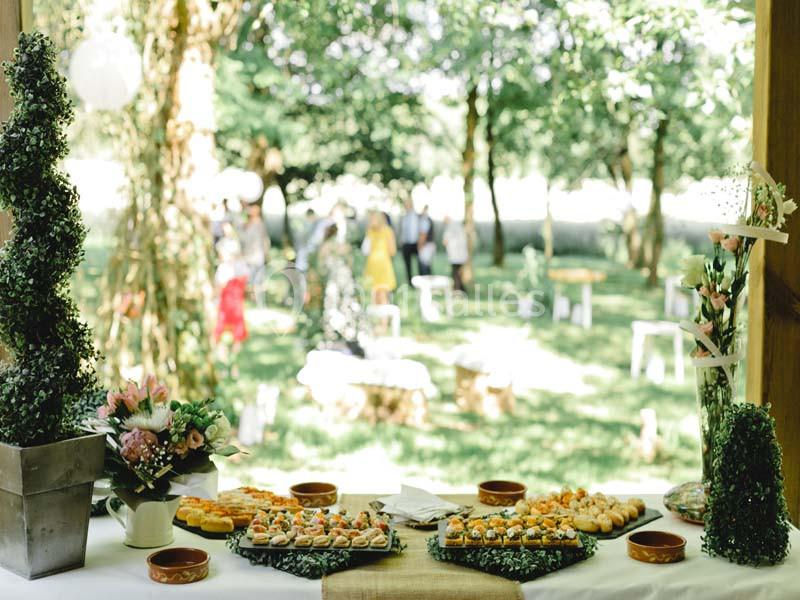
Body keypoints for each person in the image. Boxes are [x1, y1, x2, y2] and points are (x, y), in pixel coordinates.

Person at [213, 237, 249, 376]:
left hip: (225, 305)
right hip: (237, 304)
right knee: (237, 335)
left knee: (219, 334)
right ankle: (234, 366)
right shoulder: (242, 266)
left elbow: (219, 287)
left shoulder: (224, 268)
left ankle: (224, 364)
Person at [363, 210, 397, 305]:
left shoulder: (370, 231)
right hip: (383, 264)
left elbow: (365, 250)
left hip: (371, 264)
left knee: (374, 295)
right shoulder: (388, 231)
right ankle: (383, 319)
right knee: (383, 295)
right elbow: (392, 251)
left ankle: (376, 318)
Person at [241, 202, 271, 306]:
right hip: (248, 255)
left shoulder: (260, 224)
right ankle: (251, 296)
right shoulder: (246, 223)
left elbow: (264, 240)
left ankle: (257, 298)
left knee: (258, 277)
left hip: (257, 254)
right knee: (249, 276)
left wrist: (266, 253)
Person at [442, 215, 468, 293]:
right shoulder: (459, 226)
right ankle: (461, 289)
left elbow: (445, 241)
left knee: (455, 273)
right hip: (461, 255)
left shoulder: (449, 228)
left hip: (455, 255)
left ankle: (457, 289)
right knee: (459, 273)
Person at [399, 198, 420, 285]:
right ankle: (410, 282)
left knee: (420, 263)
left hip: (416, 243)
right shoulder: (404, 217)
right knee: (407, 264)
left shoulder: (416, 216)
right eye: (405, 204)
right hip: (406, 243)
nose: (406, 206)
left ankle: (420, 280)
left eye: (408, 204)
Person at [417, 204, 435, 276]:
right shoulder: (429, 219)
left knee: (424, 266)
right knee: (427, 265)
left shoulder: (424, 220)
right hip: (429, 245)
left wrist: (420, 245)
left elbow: (423, 234)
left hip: (426, 245)